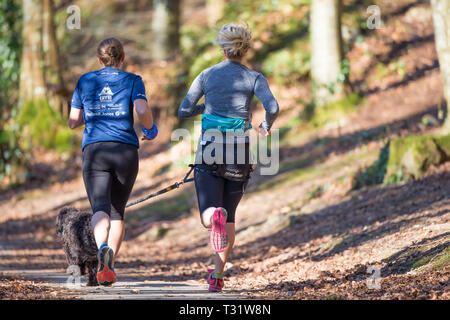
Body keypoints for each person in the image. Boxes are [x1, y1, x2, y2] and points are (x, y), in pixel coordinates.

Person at [178, 23, 279, 292]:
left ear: (223, 49)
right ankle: (217, 275)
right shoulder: (254, 77)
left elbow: (184, 110)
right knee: (230, 217)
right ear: (245, 49)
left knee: (208, 215)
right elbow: (273, 106)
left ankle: (214, 216)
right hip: (239, 150)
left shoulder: (206, 75)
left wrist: (206, 107)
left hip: (210, 149)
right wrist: (266, 125)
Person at [68, 37, 158, 286]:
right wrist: (150, 130)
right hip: (125, 151)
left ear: (99, 60)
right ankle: (108, 267)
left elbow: (74, 120)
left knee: (100, 209)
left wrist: (95, 114)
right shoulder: (133, 80)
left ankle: (102, 246)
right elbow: (141, 111)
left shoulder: (86, 81)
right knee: (117, 212)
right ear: (123, 57)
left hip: (95, 151)